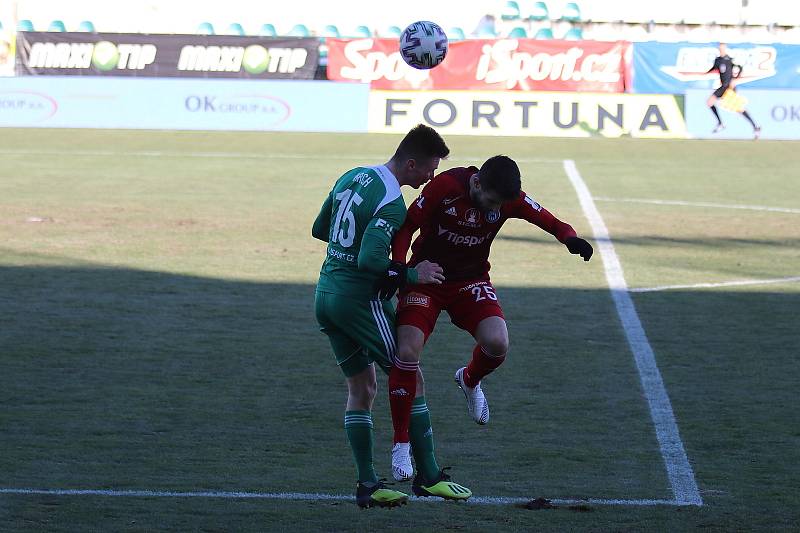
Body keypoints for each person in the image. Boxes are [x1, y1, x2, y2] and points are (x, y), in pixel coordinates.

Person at [381, 155, 593, 483]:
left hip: (471, 281)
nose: (493, 208)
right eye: (491, 201)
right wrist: (400, 267)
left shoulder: (506, 198)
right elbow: (407, 226)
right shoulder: (445, 186)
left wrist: (569, 237)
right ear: (477, 183)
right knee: (407, 353)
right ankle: (400, 444)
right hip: (428, 278)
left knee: (498, 343)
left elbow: (547, 219)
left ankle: (469, 379)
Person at [313, 124, 461, 508]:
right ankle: (427, 477)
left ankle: (368, 486)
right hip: (360, 301)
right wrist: (415, 274)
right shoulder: (393, 202)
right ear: (410, 164)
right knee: (410, 375)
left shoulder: (354, 175)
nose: (430, 178)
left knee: (363, 389)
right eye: (429, 170)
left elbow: (320, 229)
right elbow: (370, 260)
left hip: (326, 294)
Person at [706, 43, 761, 139]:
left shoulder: (729, 59)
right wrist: (705, 73)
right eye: (720, 48)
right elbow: (713, 69)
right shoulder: (718, 60)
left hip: (729, 87)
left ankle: (755, 127)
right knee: (710, 102)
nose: (721, 49)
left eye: (723, 48)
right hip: (723, 87)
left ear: (725, 48)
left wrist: (735, 79)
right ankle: (720, 123)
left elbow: (740, 67)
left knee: (738, 108)